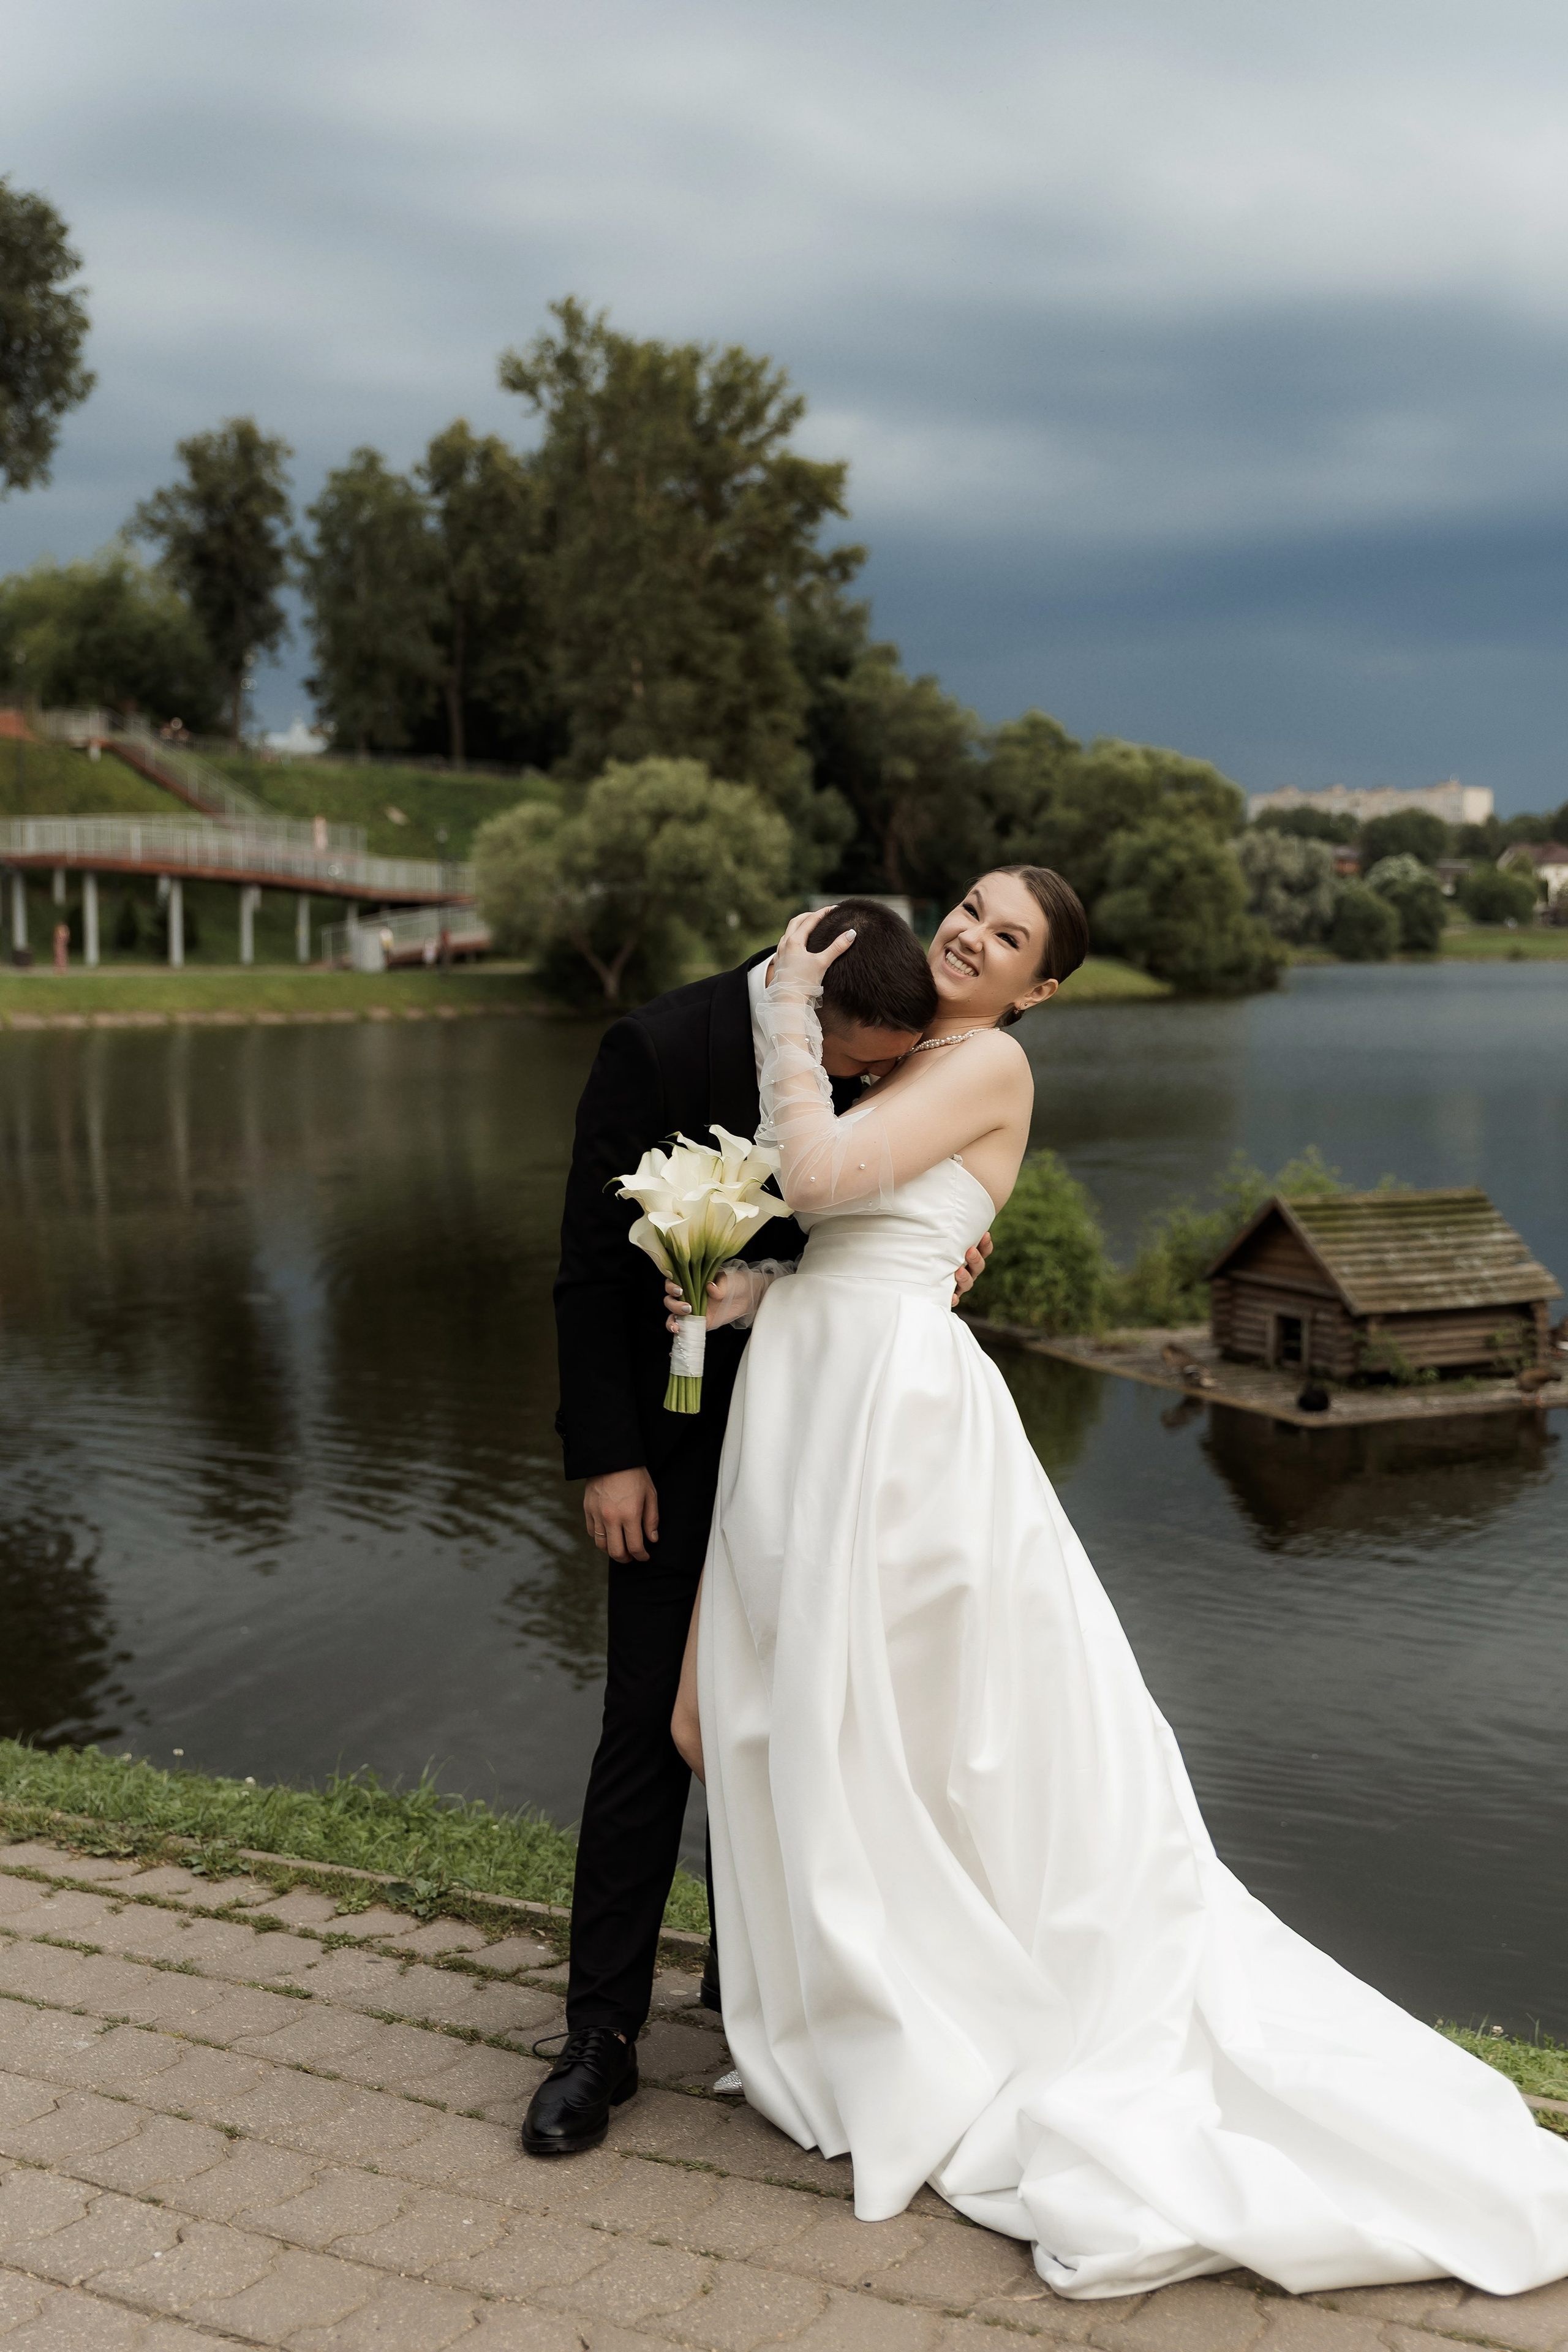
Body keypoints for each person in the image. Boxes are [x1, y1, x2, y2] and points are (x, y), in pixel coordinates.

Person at [666, 867, 1568, 2300]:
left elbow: (829, 1180)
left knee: (893, 1728)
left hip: (887, 1423)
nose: (969, 934)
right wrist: (751, 1290)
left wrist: (784, 999)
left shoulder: (990, 1061)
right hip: (812, 1387)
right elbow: (861, 1237)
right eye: (966, 909)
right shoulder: (914, 1055)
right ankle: (852, 2015)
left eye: (1005, 937)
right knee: (765, 1716)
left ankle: (919, 2026)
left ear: (1037, 988)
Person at [525, 900, 991, 2158]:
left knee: (806, 1719)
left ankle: (758, 1998)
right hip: (671, 1455)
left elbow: (873, 1201)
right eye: (851, 1065)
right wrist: (610, 1456)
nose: (863, 1086)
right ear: (812, 1003)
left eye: (882, 1071)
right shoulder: (657, 1049)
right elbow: (585, 1263)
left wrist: (949, 1242)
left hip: (820, 1444)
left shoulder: (886, 1034)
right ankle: (599, 2040)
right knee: (647, 1731)